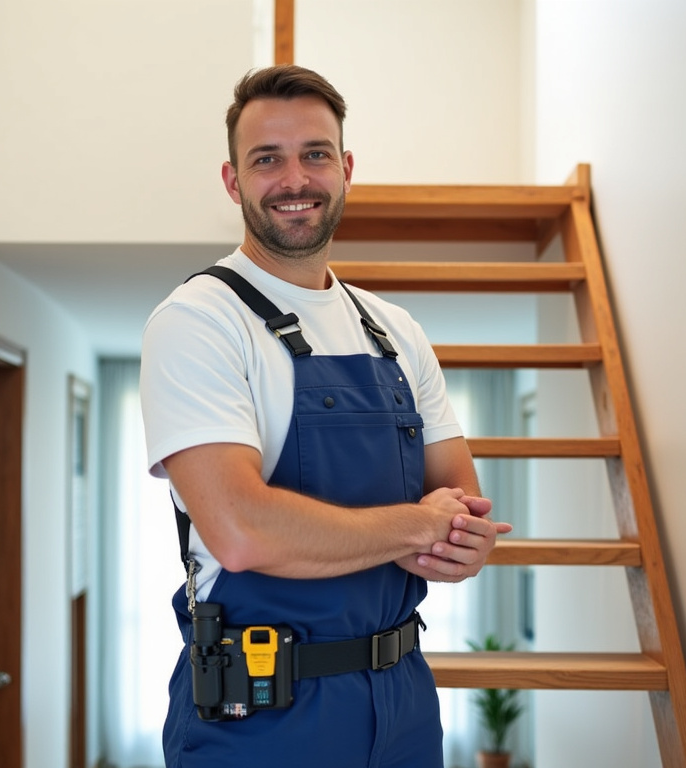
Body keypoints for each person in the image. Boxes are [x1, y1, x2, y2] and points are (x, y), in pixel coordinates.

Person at [139, 64, 512, 768]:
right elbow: (243, 533)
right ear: (233, 180)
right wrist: (416, 524)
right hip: (262, 715)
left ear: (344, 168)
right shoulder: (197, 322)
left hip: (403, 699)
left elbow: (462, 509)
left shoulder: (394, 328)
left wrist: (460, 543)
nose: (294, 179)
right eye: (266, 159)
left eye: (314, 154)